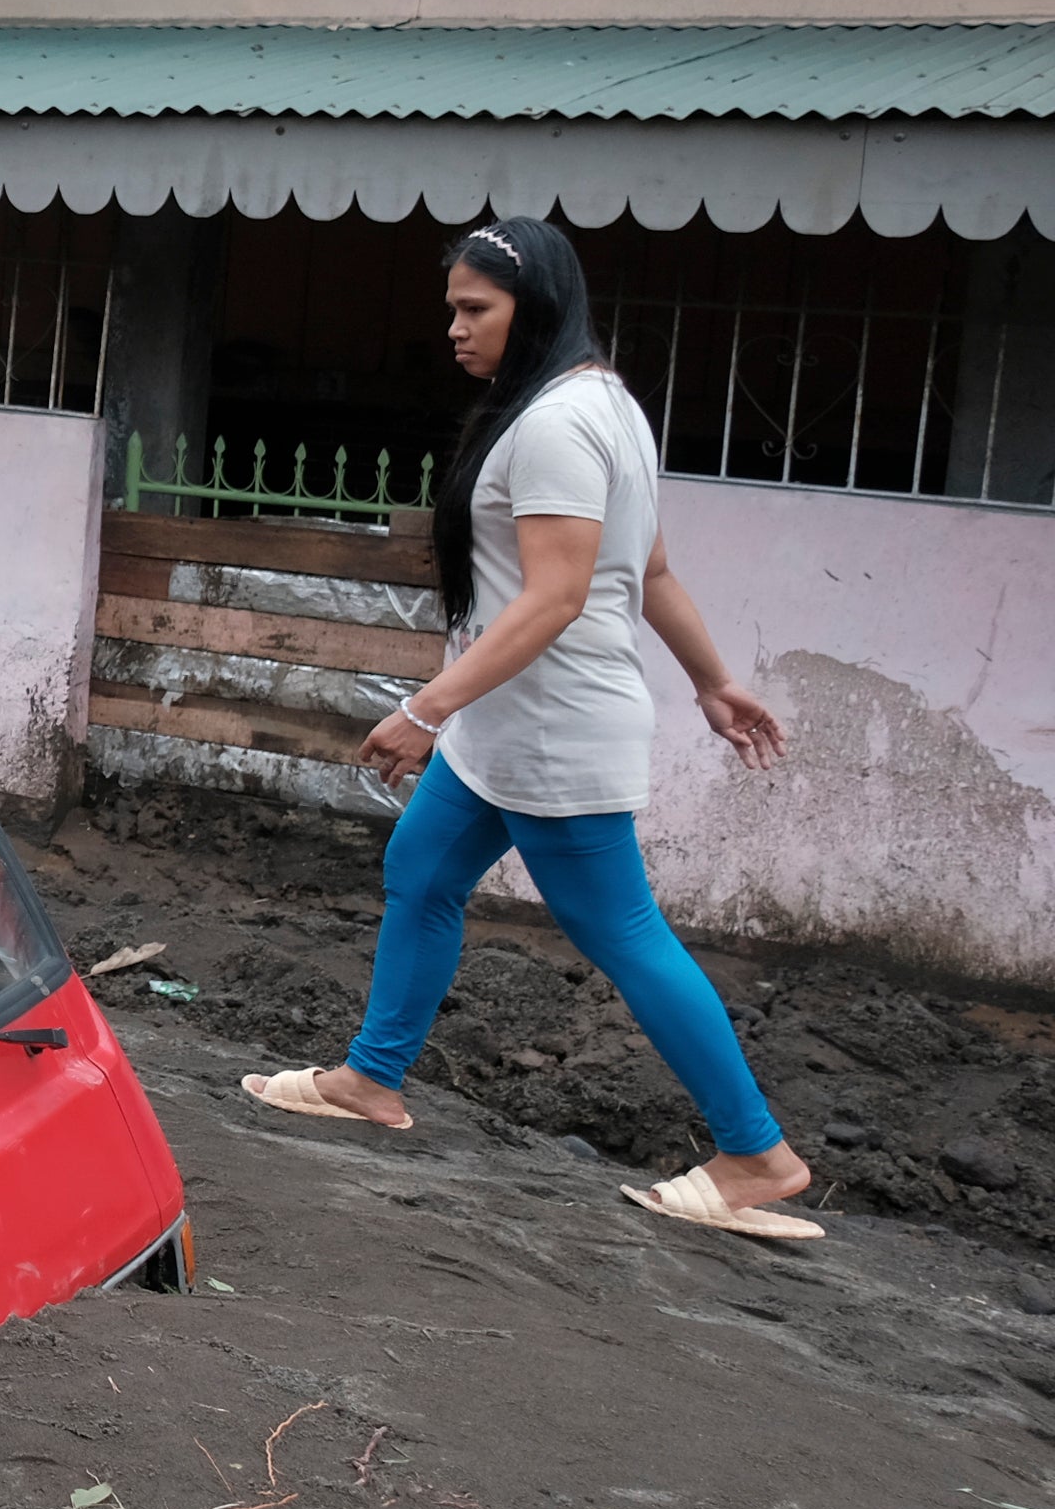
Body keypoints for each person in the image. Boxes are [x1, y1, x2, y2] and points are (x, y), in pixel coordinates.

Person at [239, 217, 815, 1241]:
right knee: (421, 868)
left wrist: (424, 707)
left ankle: (754, 1154)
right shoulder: (605, 405)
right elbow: (647, 575)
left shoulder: (554, 422)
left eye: (474, 309)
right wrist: (712, 682)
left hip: (549, 728)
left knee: (621, 933)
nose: (453, 329)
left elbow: (552, 599)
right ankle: (368, 1076)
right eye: (451, 307)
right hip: (505, 729)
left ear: (533, 307)